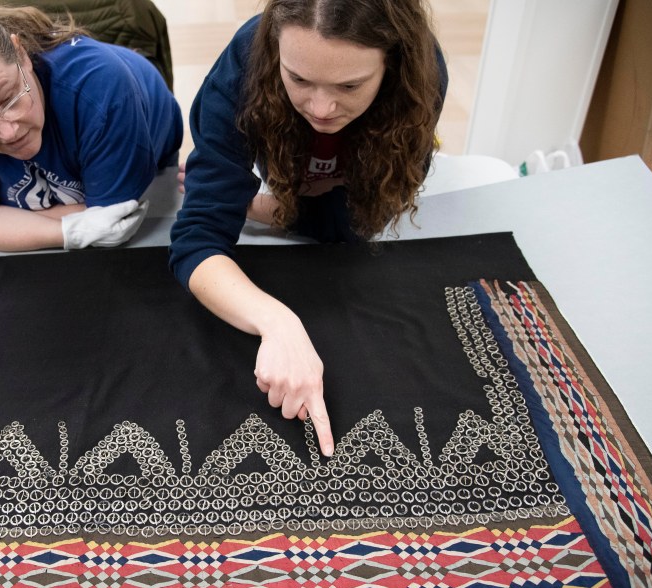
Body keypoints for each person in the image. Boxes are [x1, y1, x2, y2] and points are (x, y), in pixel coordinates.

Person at [169, 0, 448, 456]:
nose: (320, 107)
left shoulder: (421, 76)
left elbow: (361, 216)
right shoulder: (245, 61)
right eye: (297, 79)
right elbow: (196, 240)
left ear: (392, 66)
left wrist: (258, 208)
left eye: (349, 85)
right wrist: (277, 323)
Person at [0, 0, 183, 251]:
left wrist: (8, 220)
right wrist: (67, 230)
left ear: (20, 53)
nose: (9, 132)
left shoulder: (103, 90)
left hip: (131, 118)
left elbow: (112, 220)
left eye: (10, 98)